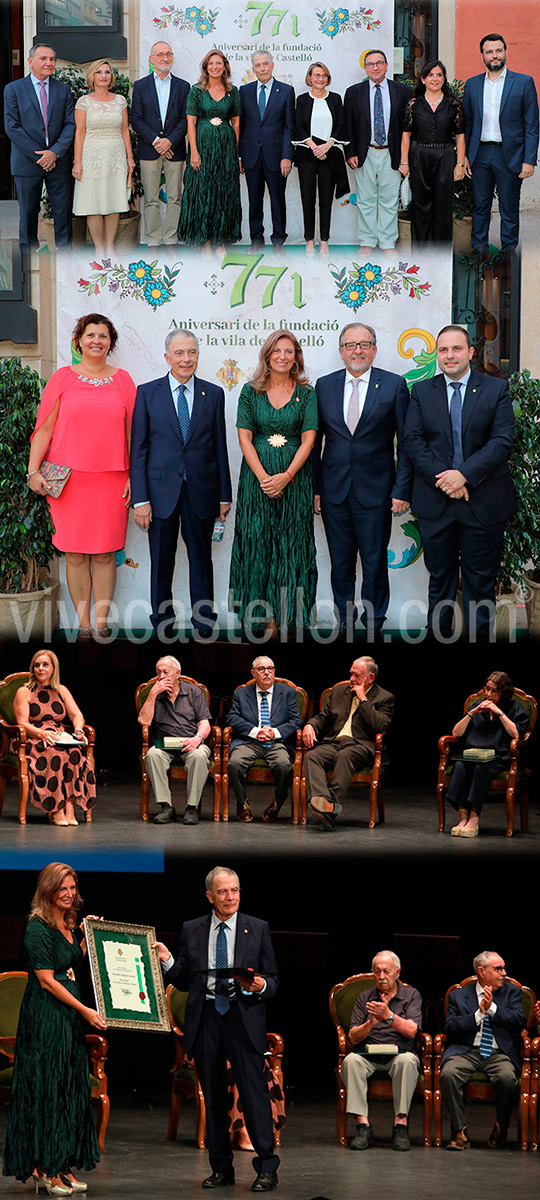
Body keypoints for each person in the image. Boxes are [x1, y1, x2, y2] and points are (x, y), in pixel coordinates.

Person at [154, 866, 280, 1192]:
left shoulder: (258, 927)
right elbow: (184, 980)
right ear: (210, 896)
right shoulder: (192, 929)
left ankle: (267, 1168)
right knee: (213, 1099)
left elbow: (273, 981)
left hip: (242, 1017)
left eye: (235, 890)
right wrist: (168, 961)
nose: (230, 897)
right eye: (223, 892)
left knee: (254, 1097)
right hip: (208, 1018)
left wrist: (258, 985)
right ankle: (221, 1169)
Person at [403, 325, 517, 640]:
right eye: (443, 350)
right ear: (437, 354)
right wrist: (446, 480)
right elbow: (413, 442)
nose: (449, 356)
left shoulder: (496, 389)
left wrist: (463, 475)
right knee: (439, 580)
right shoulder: (422, 392)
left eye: (456, 349)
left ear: (470, 353)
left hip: (483, 502)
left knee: (479, 584)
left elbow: (502, 440)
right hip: (436, 503)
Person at [26, 313, 136, 639]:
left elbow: (133, 434)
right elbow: (44, 428)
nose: (96, 341)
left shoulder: (124, 381)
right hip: (68, 482)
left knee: (104, 555)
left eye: (103, 336)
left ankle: (101, 627)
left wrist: (134, 476)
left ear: (110, 343)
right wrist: (33, 470)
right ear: (79, 340)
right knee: (74, 555)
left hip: (113, 480)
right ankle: (84, 626)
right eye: (90, 335)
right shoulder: (62, 379)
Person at [2, 862, 106, 1191]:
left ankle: (62, 1163)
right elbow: (47, 981)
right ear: (47, 891)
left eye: (72, 888)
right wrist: (86, 1010)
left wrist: (89, 939)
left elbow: (69, 961)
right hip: (46, 1016)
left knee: (68, 1088)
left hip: (67, 1019)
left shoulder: (68, 924)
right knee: (48, 1089)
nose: (68, 894)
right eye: (62, 888)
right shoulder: (37, 927)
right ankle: (45, 1167)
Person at [130, 329, 232, 638]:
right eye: (179, 353)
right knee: (162, 563)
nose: (186, 359)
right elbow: (139, 450)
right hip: (159, 495)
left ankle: (204, 624)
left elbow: (220, 449)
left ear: (198, 355)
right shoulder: (147, 392)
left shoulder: (213, 394)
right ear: (167, 357)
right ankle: (162, 624)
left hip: (202, 493)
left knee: (201, 561)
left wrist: (224, 495)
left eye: (191, 352)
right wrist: (141, 499)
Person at [314, 322, 412, 638]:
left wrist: (401, 489)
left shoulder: (395, 385)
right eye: (352, 345)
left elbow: (406, 443)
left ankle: (373, 625)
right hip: (334, 492)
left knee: (373, 563)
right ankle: (345, 622)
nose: (358, 350)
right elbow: (315, 444)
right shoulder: (324, 386)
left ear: (374, 349)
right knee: (341, 564)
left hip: (378, 492)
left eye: (365, 344)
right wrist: (316, 489)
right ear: (342, 351)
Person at [228, 329, 317, 635]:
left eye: (289, 351)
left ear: (296, 358)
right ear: (267, 355)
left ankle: (289, 618)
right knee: (258, 545)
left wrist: (287, 476)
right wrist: (265, 478)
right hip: (257, 482)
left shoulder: (307, 394)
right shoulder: (250, 391)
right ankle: (260, 620)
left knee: (293, 546)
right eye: (276, 351)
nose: (282, 356)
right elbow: (244, 438)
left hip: (295, 480)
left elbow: (309, 440)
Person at [440, 950, 526, 1150]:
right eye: (498, 969)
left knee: (506, 1079)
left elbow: (518, 1021)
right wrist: (479, 1013)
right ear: (481, 971)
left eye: (503, 968)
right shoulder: (458, 995)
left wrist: (493, 1008)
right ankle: (460, 1132)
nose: (503, 973)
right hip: (466, 1051)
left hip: (499, 1052)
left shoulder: (511, 992)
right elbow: (450, 1027)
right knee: (449, 1074)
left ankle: (501, 1128)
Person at [462, 33, 539, 253]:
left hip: (510, 155)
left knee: (509, 208)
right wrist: (465, 155)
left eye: (498, 51)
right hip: (480, 155)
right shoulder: (472, 84)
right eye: (489, 52)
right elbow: (467, 122)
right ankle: (479, 250)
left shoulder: (523, 83)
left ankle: (508, 253)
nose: (494, 56)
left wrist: (529, 160)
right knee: (480, 206)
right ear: (482, 56)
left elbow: (531, 125)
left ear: (505, 52)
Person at [341, 950, 422, 1151]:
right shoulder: (364, 998)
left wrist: (389, 1016)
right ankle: (363, 1126)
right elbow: (353, 1037)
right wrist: (372, 1022)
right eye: (377, 971)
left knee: (408, 1062)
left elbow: (412, 1031)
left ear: (398, 973)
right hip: (367, 1055)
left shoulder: (411, 995)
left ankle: (400, 1125)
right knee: (351, 1061)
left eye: (386, 971)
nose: (382, 976)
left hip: (399, 1054)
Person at [303, 656, 394, 830]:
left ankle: (330, 809)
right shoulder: (338, 691)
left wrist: (363, 700)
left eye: (356, 676)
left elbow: (380, 726)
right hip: (334, 742)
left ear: (370, 678)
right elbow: (323, 717)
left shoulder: (384, 698)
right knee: (312, 756)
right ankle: (324, 804)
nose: (351, 679)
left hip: (361, 745)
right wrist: (309, 725)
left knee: (344, 756)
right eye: (351, 674)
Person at [3, 43, 75, 250]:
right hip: (26, 163)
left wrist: (54, 152)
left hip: (58, 162)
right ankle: (28, 257)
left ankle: (66, 258)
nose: (48, 63)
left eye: (52, 59)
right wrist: (40, 156)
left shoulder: (63, 89)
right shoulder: (13, 90)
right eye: (43, 58)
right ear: (30, 61)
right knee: (27, 214)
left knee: (62, 213)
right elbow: (12, 127)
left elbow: (70, 124)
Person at [12, 650, 96, 827]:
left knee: (74, 751)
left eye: (45, 665)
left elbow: (77, 715)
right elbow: (22, 723)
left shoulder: (61, 690)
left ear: (53, 669)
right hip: (31, 737)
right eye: (37, 665)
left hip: (58, 735)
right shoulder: (24, 691)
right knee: (54, 753)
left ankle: (69, 805)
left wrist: (79, 730)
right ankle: (56, 809)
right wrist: (41, 733)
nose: (40, 668)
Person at [445, 671, 528, 838]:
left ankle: (474, 818)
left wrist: (499, 712)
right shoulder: (476, 705)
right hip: (473, 754)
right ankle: (463, 817)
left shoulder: (514, 707)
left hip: (498, 756)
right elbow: (456, 732)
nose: (488, 694)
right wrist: (471, 714)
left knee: (481, 769)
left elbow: (516, 734)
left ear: (503, 693)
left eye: (493, 691)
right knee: (460, 766)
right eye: (486, 689)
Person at [343, 49, 410, 252]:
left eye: (379, 63)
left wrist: (405, 158)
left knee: (390, 200)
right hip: (365, 153)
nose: (375, 67)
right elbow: (348, 125)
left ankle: (388, 242)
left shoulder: (403, 91)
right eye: (370, 64)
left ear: (387, 66)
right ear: (365, 68)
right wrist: (350, 152)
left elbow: (408, 127)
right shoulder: (354, 92)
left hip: (392, 152)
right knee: (365, 200)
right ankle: (367, 241)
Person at [225, 656, 303, 823]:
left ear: (274, 671)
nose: (267, 672)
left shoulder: (287, 692)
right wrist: (255, 731)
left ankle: (278, 802)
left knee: (283, 766)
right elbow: (232, 718)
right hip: (249, 741)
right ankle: (242, 802)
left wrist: (274, 732)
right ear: (253, 673)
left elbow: (296, 721)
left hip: (276, 742)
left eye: (270, 669)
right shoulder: (241, 693)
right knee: (234, 764)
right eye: (261, 669)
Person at [178, 50, 241, 252]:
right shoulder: (196, 91)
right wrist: (194, 152)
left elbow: (236, 123)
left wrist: (234, 152)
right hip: (202, 147)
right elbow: (190, 122)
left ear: (225, 67)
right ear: (206, 67)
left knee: (223, 193)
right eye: (211, 63)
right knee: (203, 192)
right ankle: (205, 240)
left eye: (219, 63)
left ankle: (220, 240)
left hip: (226, 149)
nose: (215, 66)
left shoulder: (234, 91)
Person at [138, 655, 211, 826]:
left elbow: (205, 724)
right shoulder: (153, 693)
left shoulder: (194, 692)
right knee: (152, 755)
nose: (161, 676)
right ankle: (166, 807)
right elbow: (144, 721)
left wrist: (197, 739)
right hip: (164, 744)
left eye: (166, 672)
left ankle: (192, 807)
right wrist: (153, 694)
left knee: (199, 757)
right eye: (158, 673)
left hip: (191, 742)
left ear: (177, 673)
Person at [72, 59, 135, 259]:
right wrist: (77, 162)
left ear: (111, 77)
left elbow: (125, 130)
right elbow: (80, 133)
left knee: (114, 201)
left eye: (107, 72)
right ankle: (99, 249)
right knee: (94, 203)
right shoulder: (83, 102)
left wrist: (130, 159)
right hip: (91, 157)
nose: (104, 76)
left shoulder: (120, 101)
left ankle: (109, 248)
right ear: (92, 76)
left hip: (116, 157)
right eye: (99, 72)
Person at [399, 59, 465, 245]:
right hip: (419, 156)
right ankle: (421, 255)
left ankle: (441, 255)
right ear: (423, 79)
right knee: (420, 205)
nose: (434, 79)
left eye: (439, 75)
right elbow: (406, 135)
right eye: (430, 75)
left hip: (445, 156)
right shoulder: (414, 104)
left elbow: (460, 136)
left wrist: (460, 164)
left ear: (444, 79)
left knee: (443, 206)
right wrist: (404, 162)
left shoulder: (453, 104)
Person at [130, 41, 190, 247]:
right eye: (160, 55)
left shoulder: (183, 86)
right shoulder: (140, 85)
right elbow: (136, 119)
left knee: (175, 197)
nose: (165, 58)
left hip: (175, 150)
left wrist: (170, 140)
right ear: (152, 59)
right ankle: (153, 241)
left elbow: (185, 119)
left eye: (168, 54)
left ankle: (171, 239)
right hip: (149, 149)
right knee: (151, 199)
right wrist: (157, 141)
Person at [239, 49, 295, 250]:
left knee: (278, 201)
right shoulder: (244, 91)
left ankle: (278, 241)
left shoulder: (286, 91)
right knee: (254, 201)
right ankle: (256, 240)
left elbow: (290, 127)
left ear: (272, 65)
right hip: (251, 156)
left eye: (265, 64)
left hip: (277, 158)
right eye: (257, 65)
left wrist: (287, 156)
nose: (262, 68)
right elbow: (242, 125)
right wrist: (240, 156)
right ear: (253, 68)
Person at [292, 61, 349, 256]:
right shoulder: (302, 99)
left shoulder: (335, 98)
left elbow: (341, 124)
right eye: (316, 75)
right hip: (308, 154)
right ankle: (309, 240)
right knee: (308, 199)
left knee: (325, 200)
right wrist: (314, 146)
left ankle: (324, 241)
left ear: (328, 78)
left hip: (329, 154)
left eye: (324, 75)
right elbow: (298, 125)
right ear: (309, 78)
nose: (320, 79)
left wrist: (327, 145)